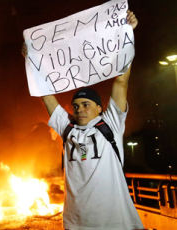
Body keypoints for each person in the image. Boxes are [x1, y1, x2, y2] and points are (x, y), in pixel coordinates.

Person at [35, 11, 143, 230]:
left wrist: (126, 34)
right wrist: (31, 61)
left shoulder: (110, 124)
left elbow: (121, 81)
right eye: (76, 106)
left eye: (85, 105)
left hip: (115, 223)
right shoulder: (67, 129)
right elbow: (45, 94)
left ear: (99, 108)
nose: (80, 110)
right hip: (76, 225)